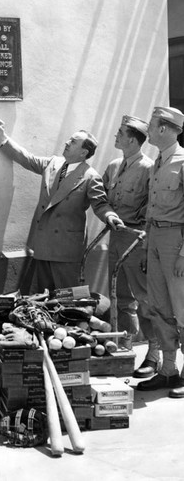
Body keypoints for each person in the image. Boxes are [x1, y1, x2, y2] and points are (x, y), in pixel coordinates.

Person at [0, 118, 124, 291]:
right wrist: (3, 138)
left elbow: (100, 204)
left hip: (66, 248)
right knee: (43, 296)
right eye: (69, 139)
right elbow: (27, 159)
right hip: (43, 243)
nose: (67, 143)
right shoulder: (53, 163)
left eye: (73, 141)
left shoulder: (90, 176)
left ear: (83, 152)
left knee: (68, 296)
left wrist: (110, 216)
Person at [102, 115, 159, 368]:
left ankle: (155, 354)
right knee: (120, 297)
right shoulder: (114, 166)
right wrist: (107, 214)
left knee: (145, 298)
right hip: (115, 239)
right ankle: (125, 350)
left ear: (133, 140)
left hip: (137, 240)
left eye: (120, 133)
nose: (116, 136)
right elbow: (101, 199)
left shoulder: (149, 168)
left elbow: (154, 206)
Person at [137, 106, 184, 396]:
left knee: (183, 308)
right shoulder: (158, 162)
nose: (148, 132)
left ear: (164, 129)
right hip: (155, 238)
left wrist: (183, 254)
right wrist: (146, 247)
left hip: (176, 242)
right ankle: (168, 371)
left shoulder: (182, 162)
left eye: (151, 127)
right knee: (160, 307)